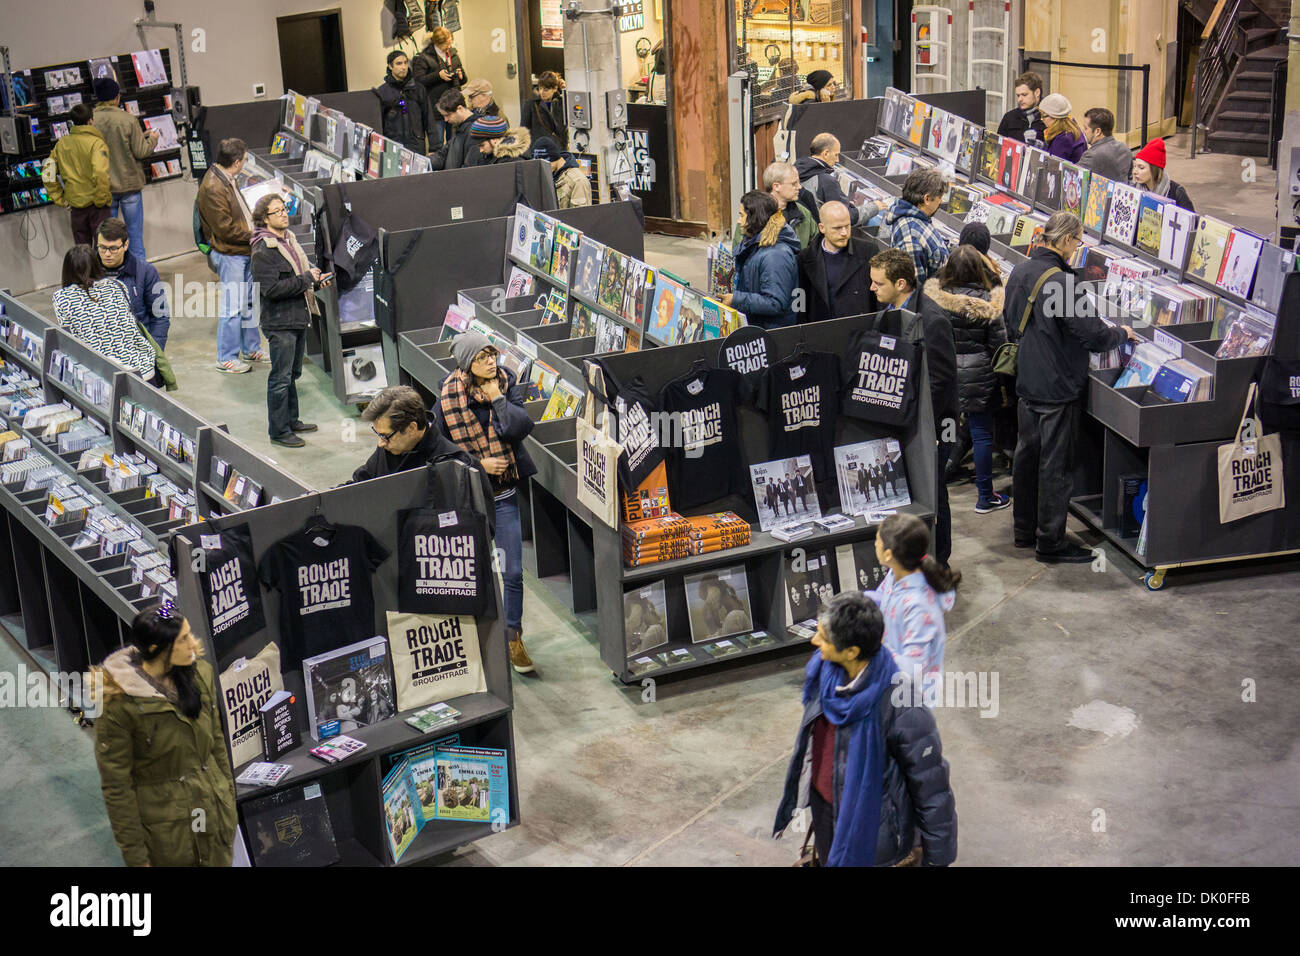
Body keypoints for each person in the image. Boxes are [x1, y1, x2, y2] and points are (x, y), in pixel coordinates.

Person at [773, 590, 957, 867]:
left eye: (823, 636)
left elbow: (931, 786)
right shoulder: (823, 673)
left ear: (851, 652)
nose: (814, 640)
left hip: (872, 831)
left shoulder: (900, 704)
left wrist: (938, 858)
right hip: (825, 808)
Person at [1005, 212, 1139, 562]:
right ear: (1065, 241)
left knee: (1027, 457)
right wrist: (1121, 334)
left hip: (1027, 382)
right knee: (1055, 467)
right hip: (1056, 387)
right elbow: (1093, 335)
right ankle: (1050, 542)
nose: (1077, 249)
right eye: (1078, 242)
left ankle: (1024, 531)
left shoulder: (1020, 272)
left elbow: (1010, 320)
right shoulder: (1062, 284)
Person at [93, 602, 237, 867]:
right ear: (155, 650)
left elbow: (217, 744)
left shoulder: (200, 675)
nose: (193, 644)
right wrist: (137, 858)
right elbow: (117, 789)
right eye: (183, 640)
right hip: (169, 837)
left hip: (215, 818)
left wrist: (228, 796)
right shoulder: (120, 705)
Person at [434, 333, 538, 674]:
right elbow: (440, 453)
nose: (491, 362)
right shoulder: (448, 395)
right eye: (481, 358)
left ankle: (512, 636)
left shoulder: (506, 384)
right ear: (467, 364)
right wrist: (480, 464)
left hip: (504, 496)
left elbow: (520, 428)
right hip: (471, 499)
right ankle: (476, 639)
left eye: (492, 354)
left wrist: (497, 399)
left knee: (511, 572)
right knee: (472, 572)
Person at [871, 247, 960, 567]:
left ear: (901, 283)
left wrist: (929, 430)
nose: (872, 289)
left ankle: (941, 561)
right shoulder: (891, 311)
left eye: (878, 284)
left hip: (933, 426)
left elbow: (941, 380)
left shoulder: (932, 320)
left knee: (933, 494)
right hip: (904, 420)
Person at [921, 245, 1010, 514]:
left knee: (943, 430)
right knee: (981, 434)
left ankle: (935, 490)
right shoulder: (988, 303)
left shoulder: (934, 298)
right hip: (979, 376)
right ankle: (985, 496)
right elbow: (1000, 345)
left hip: (944, 374)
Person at [250, 194, 329, 448]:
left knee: (292, 374)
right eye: (277, 211)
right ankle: (279, 431)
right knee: (281, 378)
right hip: (280, 323)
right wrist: (307, 279)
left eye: (284, 209)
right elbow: (271, 289)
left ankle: (291, 420)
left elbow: (299, 275)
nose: (284, 214)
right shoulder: (263, 250)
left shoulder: (288, 240)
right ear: (265, 219)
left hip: (297, 317)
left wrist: (314, 279)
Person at [352, 386, 492, 504]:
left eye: (385, 436)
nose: (381, 443)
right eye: (378, 434)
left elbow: (479, 527)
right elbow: (361, 484)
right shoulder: (388, 449)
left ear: (411, 428)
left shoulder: (460, 465)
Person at [866, 512, 959, 686]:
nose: (875, 543)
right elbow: (882, 598)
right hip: (888, 674)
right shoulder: (896, 573)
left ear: (888, 554)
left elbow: (913, 668)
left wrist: (874, 648)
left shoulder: (919, 606)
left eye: (877, 540)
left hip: (908, 696)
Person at [197, 137, 263, 373]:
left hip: (241, 252)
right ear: (236, 162)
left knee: (248, 301)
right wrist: (256, 234)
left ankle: (251, 348)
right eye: (244, 160)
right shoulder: (214, 186)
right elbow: (225, 229)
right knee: (233, 307)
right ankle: (226, 357)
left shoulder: (226, 178)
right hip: (230, 254)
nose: (245, 163)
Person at [52, 245, 157, 382]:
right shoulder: (118, 286)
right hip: (144, 368)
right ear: (96, 264)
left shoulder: (62, 298)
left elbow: (71, 340)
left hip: (106, 375)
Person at [92, 76, 159, 262]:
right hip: (129, 186)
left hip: (105, 188)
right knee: (135, 238)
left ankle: (111, 280)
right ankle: (139, 280)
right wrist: (152, 138)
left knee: (108, 240)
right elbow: (141, 151)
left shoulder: (91, 121)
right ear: (116, 97)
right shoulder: (128, 119)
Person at [720, 190, 800, 329]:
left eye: (741, 215)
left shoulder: (776, 256)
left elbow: (775, 303)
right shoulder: (752, 243)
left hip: (770, 336)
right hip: (755, 328)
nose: (738, 221)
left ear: (754, 218)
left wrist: (736, 299)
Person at [796, 200, 879, 324]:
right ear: (822, 228)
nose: (844, 233)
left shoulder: (868, 251)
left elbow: (879, 297)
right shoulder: (805, 258)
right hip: (823, 334)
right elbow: (800, 301)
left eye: (847, 226)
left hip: (860, 333)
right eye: (837, 228)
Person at [95, 217, 170, 350]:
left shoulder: (145, 271)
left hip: (137, 351)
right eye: (102, 248)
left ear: (126, 245)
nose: (107, 254)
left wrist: (153, 352)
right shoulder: (87, 271)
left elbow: (160, 316)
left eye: (113, 248)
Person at [45, 103, 111, 244]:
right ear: (91, 121)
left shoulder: (61, 144)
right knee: (104, 250)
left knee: (82, 253)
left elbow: (47, 173)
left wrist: (60, 198)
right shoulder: (97, 143)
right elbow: (100, 172)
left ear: (72, 122)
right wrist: (100, 199)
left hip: (76, 206)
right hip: (97, 206)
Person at [886, 167, 950, 290]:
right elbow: (915, 290)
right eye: (939, 197)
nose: (940, 202)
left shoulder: (914, 219)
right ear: (926, 199)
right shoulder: (911, 236)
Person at [734, 161, 819, 251]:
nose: (799, 187)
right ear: (776, 186)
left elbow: (815, 247)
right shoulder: (753, 211)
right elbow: (739, 250)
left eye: (799, 182)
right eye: (794, 184)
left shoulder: (803, 213)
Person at [794, 133, 864, 226]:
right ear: (826, 153)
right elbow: (845, 217)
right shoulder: (827, 181)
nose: (837, 160)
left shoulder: (794, 170)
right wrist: (874, 207)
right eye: (836, 155)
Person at [412, 25, 466, 140]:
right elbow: (418, 81)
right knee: (438, 144)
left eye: (450, 43)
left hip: (454, 107)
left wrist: (461, 76)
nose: (449, 47)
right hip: (436, 110)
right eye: (446, 44)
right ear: (437, 43)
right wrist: (438, 75)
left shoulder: (453, 54)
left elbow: (464, 79)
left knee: (456, 142)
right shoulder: (423, 58)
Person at [376, 50, 434, 155]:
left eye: (405, 63)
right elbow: (378, 124)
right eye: (399, 63)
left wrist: (434, 148)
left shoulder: (418, 89)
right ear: (390, 66)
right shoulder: (382, 92)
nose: (403, 67)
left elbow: (429, 118)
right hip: (393, 146)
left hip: (416, 144)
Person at [1130, 138, 1195, 212]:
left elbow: (1192, 220)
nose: (1135, 171)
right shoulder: (1135, 189)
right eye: (1134, 166)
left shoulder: (1176, 192)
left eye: (1141, 168)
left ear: (1154, 170)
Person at [531, 135, 591, 208]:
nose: (543, 169)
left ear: (553, 159)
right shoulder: (550, 175)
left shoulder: (577, 181)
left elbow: (581, 215)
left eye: (545, 164)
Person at [1077, 107, 1133, 183]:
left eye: (1086, 128)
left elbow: (1073, 177)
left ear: (1098, 131)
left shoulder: (1091, 155)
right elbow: (1130, 180)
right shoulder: (1125, 149)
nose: (1083, 131)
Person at [429, 89, 478, 171]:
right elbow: (443, 154)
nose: (445, 119)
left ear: (460, 109)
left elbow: (470, 167)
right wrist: (424, 162)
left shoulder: (475, 131)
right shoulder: (460, 127)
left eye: (448, 115)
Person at [996, 71, 1047, 146]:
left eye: (1024, 95)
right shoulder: (1009, 117)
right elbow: (998, 146)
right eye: (1018, 95)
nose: (1020, 99)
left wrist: (1041, 146)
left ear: (1037, 92)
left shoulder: (1048, 117)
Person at [521, 71, 568, 150]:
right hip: (539, 150)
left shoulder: (561, 103)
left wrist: (564, 91)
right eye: (540, 88)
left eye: (545, 90)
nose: (541, 92)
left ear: (555, 88)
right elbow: (523, 131)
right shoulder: (531, 104)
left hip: (559, 150)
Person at [1039, 93, 1087, 163]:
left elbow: (1053, 166)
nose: (1041, 119)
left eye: (1044, 116)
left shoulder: (1064, 139)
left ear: (1055, 116)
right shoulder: (1071, 127)